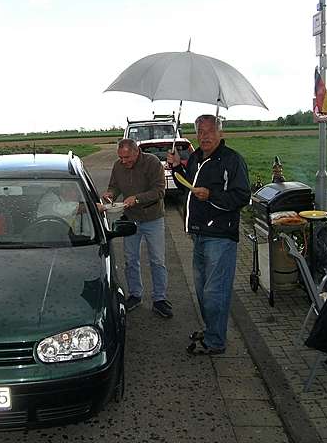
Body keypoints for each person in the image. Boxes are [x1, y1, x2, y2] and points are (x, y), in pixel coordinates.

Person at [167, 115, 251, 355]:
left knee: (216, 291)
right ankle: (212, 329)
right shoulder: (194, 158)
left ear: (220, 133)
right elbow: (186, 187)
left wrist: (211, 195)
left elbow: (242, 196)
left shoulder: (232, 160)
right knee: (203, 288)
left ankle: (216, 341)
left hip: (221, 236)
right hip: (198, 233)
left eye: (210, 131)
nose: (205, 135)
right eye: (200, 131)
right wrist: (176, 168)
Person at [102, 138, 172, 318]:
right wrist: (110, 194)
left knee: (157, 260)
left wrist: (137, 198)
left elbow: (159, 191)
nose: (123, 161)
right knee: (130, 259)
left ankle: (160, 299)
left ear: (136, 152)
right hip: (131, 220)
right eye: (121, 157)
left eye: (127, 157)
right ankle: (135, 295)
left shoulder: (152, 163)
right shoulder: (118, 166)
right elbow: (114, 186)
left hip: (153, 218)